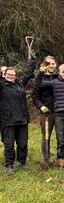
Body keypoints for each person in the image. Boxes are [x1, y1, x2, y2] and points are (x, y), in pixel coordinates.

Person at [0, 45, 36, 174]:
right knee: (9, 145)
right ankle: (9, 165)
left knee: (22, 143)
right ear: (3, 75)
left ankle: (21, 162)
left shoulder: (20, 83)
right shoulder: (2, 86)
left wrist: (31, 57)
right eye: (8, 74)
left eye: (13, 74)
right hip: (8, 121)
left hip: (22, 119)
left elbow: (29, 72)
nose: (11, 76)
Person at [32, 55, 58, 169]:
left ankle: (63, 156)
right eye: (48, 64)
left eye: (52, 63)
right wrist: (40, 106)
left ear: (56, 65)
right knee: (46, 136)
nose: (51, 66)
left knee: (62, 136)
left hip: (60, 110)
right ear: (44, 65)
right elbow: (35, 95)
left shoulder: (60, 76)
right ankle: (46, 157)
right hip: (47, 112)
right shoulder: (40, 78)